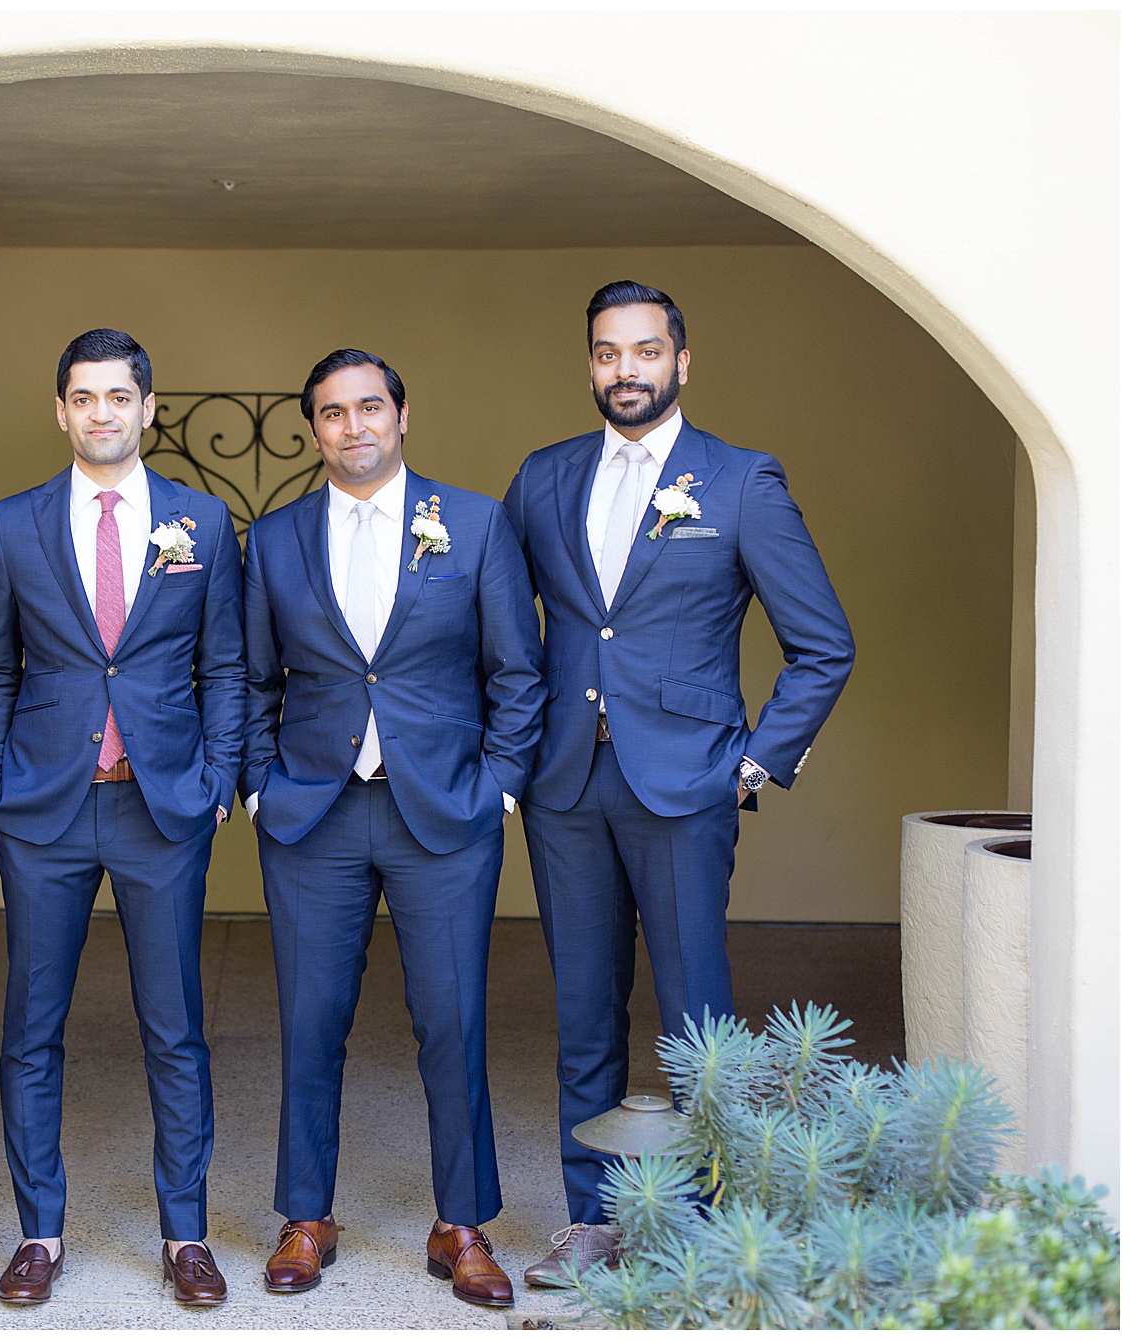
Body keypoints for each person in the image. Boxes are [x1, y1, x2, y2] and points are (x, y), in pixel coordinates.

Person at [502, 281, 854, 1287]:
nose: (626, 369)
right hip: (564, 783)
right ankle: (591, 1216)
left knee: (696, 1016)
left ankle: (698, 1219)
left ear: (680, 362)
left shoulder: (739, 481)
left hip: (686, 784)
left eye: (645, 351)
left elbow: (822, 644)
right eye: (607, 353)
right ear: (589, 365)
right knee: (580, 1006)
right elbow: (500, 624)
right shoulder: (542, 477)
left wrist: (751, 764)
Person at [241, 348, 544, 1309]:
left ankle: (462, 1223)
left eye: (371, 407)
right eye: (333, 413)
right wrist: (257, 785)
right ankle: (305, 1215)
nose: (354, 427)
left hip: (445, 810)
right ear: (315, 430)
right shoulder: (277, 538)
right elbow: (248, 678)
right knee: (310, 1019)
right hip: (313, 812)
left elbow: (517, 672)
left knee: (451, 1021)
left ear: (403, 415)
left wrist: (497, 785)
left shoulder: (476, 525)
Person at [0, 329, 245, 1307]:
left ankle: (185, 1235)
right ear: (60, 410)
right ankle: (37, 1233)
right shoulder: (11, 525)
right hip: (41, 807)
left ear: (148, 406)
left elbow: (224, 663)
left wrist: (216, 774)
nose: (100, 412)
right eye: (82, 397)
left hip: (160, 804)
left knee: (173, 1028)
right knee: (30, 1028)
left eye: (117, 396)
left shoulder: (202, 524)